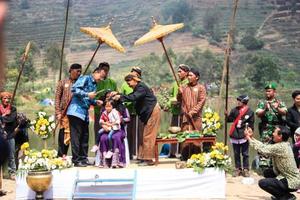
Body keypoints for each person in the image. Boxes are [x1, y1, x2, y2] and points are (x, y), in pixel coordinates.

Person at [112, 73, 161, 166]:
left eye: (129, 81)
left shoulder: (141, 87)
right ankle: (144, 157)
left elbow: (134, 97)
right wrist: (119, 95)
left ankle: (148, 159)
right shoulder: (137, 88)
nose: (128, 84)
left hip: (152, 111)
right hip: (148, 112)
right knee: (145, 135)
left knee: (148, 135)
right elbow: (131, 95)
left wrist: (120, 97)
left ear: (135, 80)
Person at [245, 126, 300, 200]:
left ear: (280, 136)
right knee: (267, 173)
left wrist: (248, 138)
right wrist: (251, 137)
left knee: (263, 183)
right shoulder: (284, 144)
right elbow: (264, 146)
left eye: (275, 132)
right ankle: (281, 193)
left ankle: (286, 196)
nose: (273, 134)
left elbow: (263, 149)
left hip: (292, 182)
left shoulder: (280, 147)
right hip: (287, 177)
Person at [67, 67, 103, 167]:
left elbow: (89, 99)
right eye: (100, 77)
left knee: (85, 136)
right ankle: (76, 160)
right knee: (76, 137)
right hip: (76, 111)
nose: (101, 80)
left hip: (84, 113)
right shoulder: (85, 78)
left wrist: (96, 102)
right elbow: (74, 89)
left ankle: (83, 158)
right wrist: (87, 93)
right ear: (95, 73)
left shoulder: (95, 85)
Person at [177, 68, 206, 160]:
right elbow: (179, 100)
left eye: (190, 75)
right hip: (185, 118)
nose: (188, 77)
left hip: (196, 118)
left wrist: (192, 112)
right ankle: (184, 158)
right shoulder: (184, 87)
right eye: (188, 75)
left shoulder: (201, 88)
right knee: (185, 139)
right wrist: (179, 93)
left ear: (196, 77)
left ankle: (196, 160)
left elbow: (201, 102)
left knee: (196, 139)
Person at [55, 63, 82, 157]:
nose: (79, 73)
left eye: (80, 71)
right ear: (71, 70)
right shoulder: (62, 82)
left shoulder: (81, 83)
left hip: (76, 114)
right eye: (77, 71)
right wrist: (58, 113)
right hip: (64, 113)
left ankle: (76, 157)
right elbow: (57, 98)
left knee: (75, 136)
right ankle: (62, 156)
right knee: (63, 135)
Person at [226, 95, 254, 177]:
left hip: (244, 134)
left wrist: (250, 133)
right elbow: (229, 120)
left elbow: (251, 124)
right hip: (235, 133)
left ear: (244, 102)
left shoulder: (250, 111)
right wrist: (227, 115)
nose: (238, 102)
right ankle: (238, 168)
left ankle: (246, 169)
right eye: (238, 100)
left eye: (240, 101)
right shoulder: (234, 110)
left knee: (245, 153)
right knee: (236, 153)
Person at [120, 66, 144, 159]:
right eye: (132, 72)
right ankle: (128, 154)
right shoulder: (125, 84)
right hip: (128, 112)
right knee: (128, 133)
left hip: (139, 112)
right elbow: (123, 98)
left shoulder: (141, 85)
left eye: (136, 73)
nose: (134, 74)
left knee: (139, 133)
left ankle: (139, 154)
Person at [166, 64, 189, 158]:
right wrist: (170, 103)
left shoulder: (188, 83)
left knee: (183, 132)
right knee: (173, 131)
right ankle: (172, 152)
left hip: (183, 111)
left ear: (186, 73)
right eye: (178, 71)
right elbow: (171, 95)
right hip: (175, 111)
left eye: (181, 71)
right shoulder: (175, 83)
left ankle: (182, 152)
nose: (178, 73)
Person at [93, 62, 117, 143]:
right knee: (98, 132)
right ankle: (98, 153)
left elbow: (116, 95)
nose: (106, 72)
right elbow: (92, 97)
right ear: (99, 70)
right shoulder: (95, 82)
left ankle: (109, 151)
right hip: (98, 112)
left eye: (107, 70)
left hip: (110, 113)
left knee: (110, 133)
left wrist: (113, 95)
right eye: (104, 70)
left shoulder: (112, 82)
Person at [0, 92, 17, 180]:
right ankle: (1, 174)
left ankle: (12, 172)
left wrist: (2, 118)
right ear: (1, 99)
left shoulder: (13, 109)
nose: (6, 100)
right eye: (4, 98)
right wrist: (5, 114)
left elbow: (11, 119)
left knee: (11, 155)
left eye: (8, 98)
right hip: (0, 135)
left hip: (10, 134)